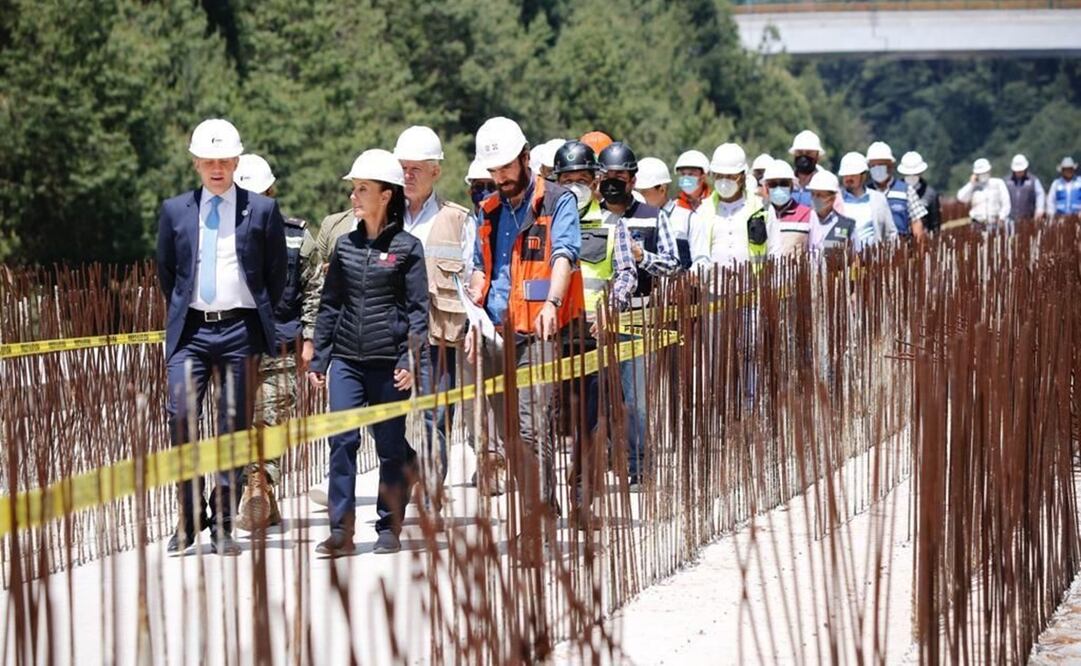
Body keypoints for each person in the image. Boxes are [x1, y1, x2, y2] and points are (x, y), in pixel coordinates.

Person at [157, 119, 287, 556]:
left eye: (224, 160)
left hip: (240, 330)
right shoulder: (175, 211)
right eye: (208, 161)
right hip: (191, 330)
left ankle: (224, 521)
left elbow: (275, 273)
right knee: (180, 416)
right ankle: (190, 513)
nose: (216, 168)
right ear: (196, 163)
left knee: (232, 427)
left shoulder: (262, 211)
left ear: (236, 161)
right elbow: (168, 273)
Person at [466, 117, 584, 563]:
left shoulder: (557, 201)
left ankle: (537, 522)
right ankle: (543, 507)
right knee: (511, 435)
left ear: (526, 157)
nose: (500, 179)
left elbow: (564, 255)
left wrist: (553, 302)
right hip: (496, 330)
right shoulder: (490, 209)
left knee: (533, 428)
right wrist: (474, 306)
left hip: (538, 329)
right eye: (493, 172)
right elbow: (483, 267)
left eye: (506, 170)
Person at [308, 149, 429, 556]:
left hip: (388, 363)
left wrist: (410, 361)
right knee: (342, 440)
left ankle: (389, 526)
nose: (354, 197)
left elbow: (417, 313)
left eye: (362, 189)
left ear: (386, 195)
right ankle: (341, 530)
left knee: (389, 445)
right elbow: (330, 305)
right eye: (353, 189)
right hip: (346, 360)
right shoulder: (343, 247)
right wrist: (321, 358)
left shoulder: (408, 248)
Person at [232, 153, 320, 532]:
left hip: (281, 345)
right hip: (233, 345)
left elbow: (315, 288)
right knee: (238, 424)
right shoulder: (220, 236)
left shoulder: (298, 236)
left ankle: (258, 486)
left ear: (271, 192)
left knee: (271, 420)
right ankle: (263, 498)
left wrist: (311, 338)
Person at [553, 140, 637, 522]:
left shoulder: (611, 224)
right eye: (566, 180)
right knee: (548, 424)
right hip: (553, 337)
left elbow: (626, 275)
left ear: (596, 180)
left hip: (592, 338)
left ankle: (582, 499)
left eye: (582, 179)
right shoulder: (545, 223)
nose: (574, 186)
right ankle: (544, 500)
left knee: (589, 424)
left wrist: (608, 308)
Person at [393, 126, 475, 512]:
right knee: (388, 419)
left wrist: (474, 326)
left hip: (439, 336)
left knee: (436, 416)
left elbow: (473, 279)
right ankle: (405, 472)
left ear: (435, 171)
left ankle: (429, 487)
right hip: (389, 334)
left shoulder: (458, 220)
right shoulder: (382, 216)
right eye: (403, 168)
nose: (407, 175)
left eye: (416, 169)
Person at [690, 143, 767, 273]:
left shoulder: (761, 209)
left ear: (742, 176)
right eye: (719, 176)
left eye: (730, 176)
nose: (724, 181)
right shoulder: (703, 211)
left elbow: (775, 251)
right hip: (714, 290)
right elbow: (699, 257)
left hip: (753, 289)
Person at [866, 141, 926, 239]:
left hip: (901, 249)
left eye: (881, 165)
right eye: (873, 166)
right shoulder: (866, 192)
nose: (877, 169)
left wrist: (919, 250)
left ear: (891, 166)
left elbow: (916, 222)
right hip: (871, 249)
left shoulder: (906, 190)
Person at [836, 151, 897, 247]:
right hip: (844, 258)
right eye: (846, 175)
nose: (848, 178)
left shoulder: (878, 199)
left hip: (873, 258)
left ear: (863, 176)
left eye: (853, 175)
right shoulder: (837, 200)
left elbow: (891, 233)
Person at [762, 160, 812, 257]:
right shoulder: (759, 215)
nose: (779, 188)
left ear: (792, 186)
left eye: (784, 183)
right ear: (767, 187)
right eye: (773, 184)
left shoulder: (807, 215)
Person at [807, 171, 861, 255]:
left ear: (832, 198)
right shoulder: (804, 222)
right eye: (813, 194)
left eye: (820, 195)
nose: (815, 198)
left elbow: (857, 255)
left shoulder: (847, 225)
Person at [957, 158, 1011, 230]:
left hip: (995, 224)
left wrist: (1002, 217)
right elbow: (961, 198)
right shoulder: (973, 186)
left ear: (989, 171)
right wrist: (971, 184)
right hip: (977, 224)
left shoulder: (998, 183)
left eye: (985, 172)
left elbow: (1006, 203)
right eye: (980, 174)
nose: (983, 175)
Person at [896, 151, 940, 238]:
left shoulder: (931, 194)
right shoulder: (895, 191)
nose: (912, 176)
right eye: (908, 174)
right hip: (898, 240)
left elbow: (935, 224)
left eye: (915, 173)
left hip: (923, 240)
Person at [788, 130, 826, 206]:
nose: (803, 157)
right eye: (799, 152)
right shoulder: (785, 181)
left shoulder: (826, 182)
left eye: (809, 153)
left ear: (817, 156)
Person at [1005, 154, 1045, 224]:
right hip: (1010, 219)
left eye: (1021, 170)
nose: (1019, 172)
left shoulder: (1033, 180)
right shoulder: (1006, 181)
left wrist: (1039, 209)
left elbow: (1040, 194)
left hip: (1029, 218)